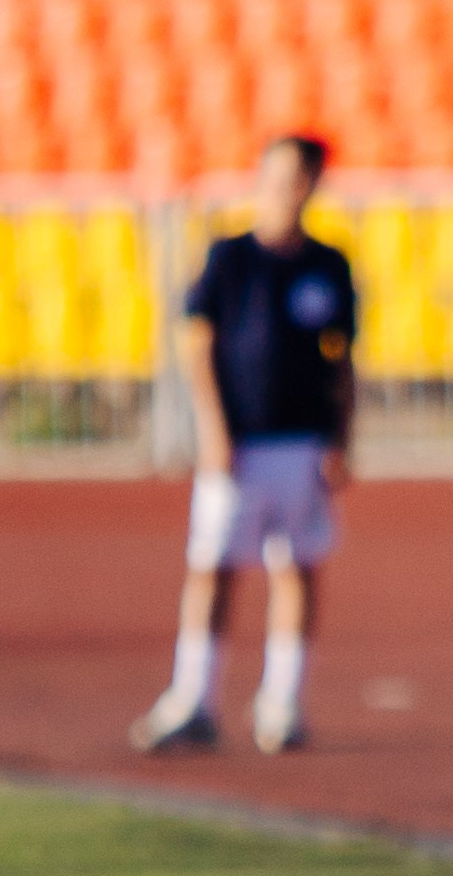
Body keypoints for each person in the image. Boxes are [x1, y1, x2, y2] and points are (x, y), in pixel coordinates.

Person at [131, 134, 356, 756]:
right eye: (282, 175)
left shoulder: (328, 264)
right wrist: (212, 428)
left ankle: (282, 702)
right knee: (214, 568)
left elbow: (343, 360)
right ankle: (193, 698)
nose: (291, 188)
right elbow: (197, 342)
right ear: (262, 178)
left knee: (299, 568)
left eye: (303, 177)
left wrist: (342, 439)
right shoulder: (230, 258)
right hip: (242, 441)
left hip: (302, 440)